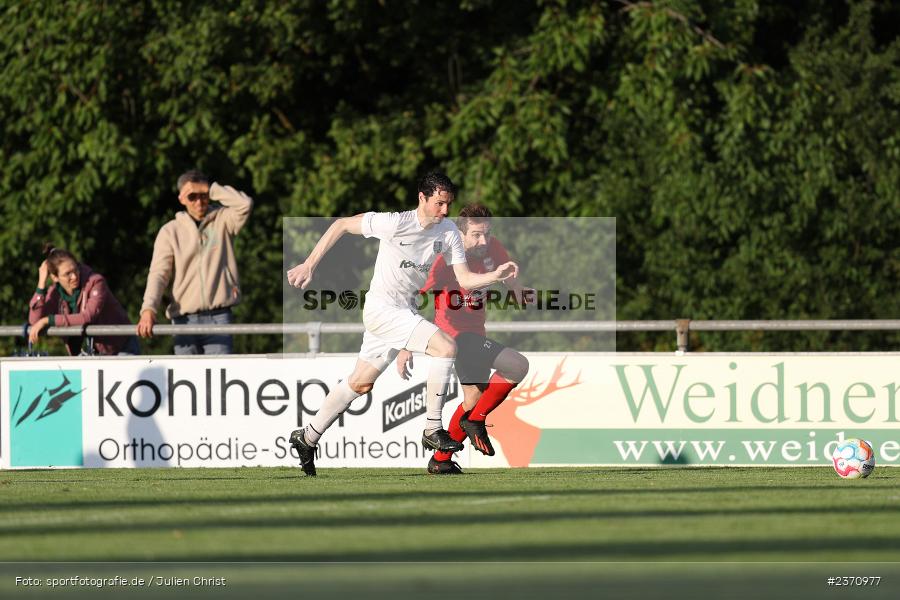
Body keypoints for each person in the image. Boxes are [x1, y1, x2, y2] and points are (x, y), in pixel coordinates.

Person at [285, 172, 518, 476]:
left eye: (448, 204)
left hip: (402, 310)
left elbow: (465, 280)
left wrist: (494, 276)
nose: (445, 210)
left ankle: (307, 437)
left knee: (360, 383)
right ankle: (433, 429)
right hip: (382, 308)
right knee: (445, 347)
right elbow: (342, 224)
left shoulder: (448, 232)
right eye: (439, 203)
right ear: (422, 198)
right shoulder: (394, 223)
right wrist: (309, 264)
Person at [396, 203, 531, 474]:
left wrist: (520, 290)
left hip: (477, 332)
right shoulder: (444, 257)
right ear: (460, 234)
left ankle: (441, 461)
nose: (484, 240)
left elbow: (507, 280)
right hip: (455, 336)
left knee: (473, 398)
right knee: (517, 365)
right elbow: (413, 296)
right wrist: (405, 343)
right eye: (477, 235)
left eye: (487, 234)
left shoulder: (493, 248)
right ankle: (477, 421)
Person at [137, 169, 253, 354]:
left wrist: (212, 188)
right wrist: (148, 309)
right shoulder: (170, 231)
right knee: (187, 381)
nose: (199, 202)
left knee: (219, 379)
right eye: (192, 196)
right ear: (181, 198)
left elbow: (245, 204)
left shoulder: (223, 220)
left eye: (204, 195)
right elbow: (159, 274)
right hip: (184, 319)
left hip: (219, 316)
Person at [29, 244, 140, 355]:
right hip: (86, 355)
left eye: (75, 269)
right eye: (67, 274)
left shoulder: (96, 282)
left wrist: (48, 320)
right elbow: (34, 321)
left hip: (121, 348)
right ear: (54, 277)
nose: (74, 276)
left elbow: (87, 317)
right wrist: (41, 285)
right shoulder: (54, 292)